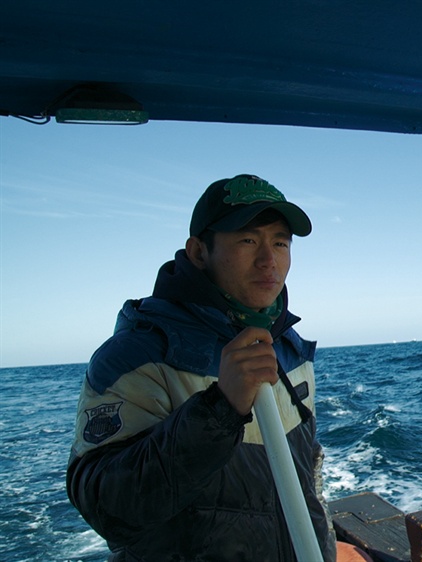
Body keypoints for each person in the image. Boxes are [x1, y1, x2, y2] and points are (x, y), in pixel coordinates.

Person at [67, 174, 370, 561]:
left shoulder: (290, 347)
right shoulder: (136, 356)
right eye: (248, 240)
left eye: (280, 242)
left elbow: (305, 475)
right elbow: (108, 507)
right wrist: (220, 409)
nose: (268, 259)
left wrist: (326, 545)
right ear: (198, 252)